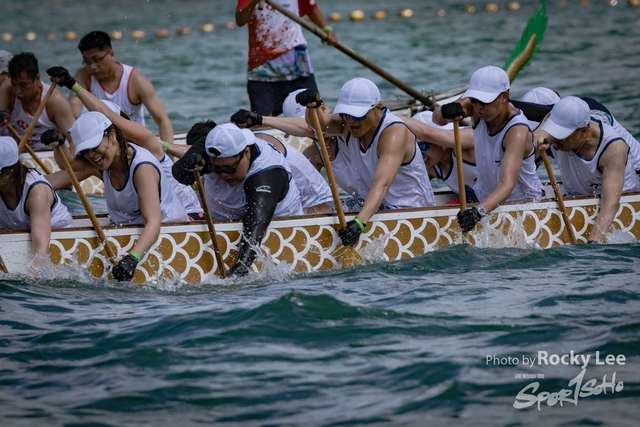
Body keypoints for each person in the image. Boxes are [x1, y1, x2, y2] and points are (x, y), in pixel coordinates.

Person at [45, 68, 189, 282]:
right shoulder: (102, 162)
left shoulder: (143, 159)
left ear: (113, 134)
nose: (91, 155)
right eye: (86, 151)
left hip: (172, 232)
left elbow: (153, 223)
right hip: (131, 229)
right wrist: (57, 145)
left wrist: (132, 259)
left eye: (94, 147)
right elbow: (65, 170)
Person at [296, 77, 435, 247]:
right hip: (372, 204)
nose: (350, 120)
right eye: (345, 114)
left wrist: (359, 223)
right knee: (315, 210)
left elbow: (382, 183)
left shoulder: (394, 133)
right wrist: (312, 107)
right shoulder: (348, 125)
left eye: (357, 115)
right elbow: (318, 124)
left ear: (377, 108)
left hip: (412, 213)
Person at [175, 123, 303, 277]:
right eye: (217, 169)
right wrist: (189, 161)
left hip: (274, 227)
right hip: (221, 221)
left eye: (230, 168)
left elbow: (256, 223)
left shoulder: (267, 172)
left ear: (247, 153)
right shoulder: (211, 143)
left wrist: (241, 267)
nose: (224, 174)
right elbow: (181, 177)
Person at [434, 66, 543, 233]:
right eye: (474, 100)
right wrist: (444, 110)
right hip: (484, 198)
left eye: (484, 102)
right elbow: (436, 119)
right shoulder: (475, 107)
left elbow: (507, 185)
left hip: (524, 206)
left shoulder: (517, 131)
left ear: (504, 96)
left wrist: (478, 213)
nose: (478, 107)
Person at [537, 96, 640, 243]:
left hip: (622, 204)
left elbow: (610, 204)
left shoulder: (614, 148)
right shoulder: (560, 133)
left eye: (562, 134)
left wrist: (593, 244)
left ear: (584, 131)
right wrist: (538, 136)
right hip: (579, 197)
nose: (555, 138)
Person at [68, 31, 174, 143]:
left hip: (134, 143)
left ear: (111, 54)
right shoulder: (84, 76)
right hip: (102, 145)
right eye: (87, 61)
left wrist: (167, 151)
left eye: (97, 59)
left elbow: (162, 121)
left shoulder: (136, 81)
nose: (92, 66)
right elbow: (73, 108)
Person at [235, 0, 338, 116]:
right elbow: (240, 20)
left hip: (297, 58)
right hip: (261, 66)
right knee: (261, 120)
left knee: (315, 112)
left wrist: (326, 29)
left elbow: (310, 8)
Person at [519, 87, 640, 175]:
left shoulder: (586, 109)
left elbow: (543, 111)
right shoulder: (554, 133)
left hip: (634, 170)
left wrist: (508, 103)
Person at [0, 136, 74, 276]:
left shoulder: (36, 192)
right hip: (19, 234)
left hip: (58, 240)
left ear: (8, 174)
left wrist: (30, 278)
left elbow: (41, 249)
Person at [0, 53, 76, 152]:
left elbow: (75, 141)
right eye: (14, 84)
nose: (17, 91)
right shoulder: (8, 88)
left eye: (23, 85)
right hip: (14, 154)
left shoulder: (55, 100)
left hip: (47, 155)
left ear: (37, 78)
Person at [402, 111, 479, 203]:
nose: (419, 154)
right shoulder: (431, 168)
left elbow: (427, 133)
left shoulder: (466, 148)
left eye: (422, 147)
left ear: (438, 140)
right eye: (415, 149)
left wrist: (388, 115)